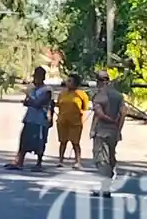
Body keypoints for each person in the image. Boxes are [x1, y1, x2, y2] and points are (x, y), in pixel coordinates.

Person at [6, 66, 54, 172]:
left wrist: (30, 98)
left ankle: (39, 163)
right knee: (24, 139)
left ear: (42, 77)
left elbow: (38, 103)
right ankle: (20, 161)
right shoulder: (33, 89)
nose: (35, 79)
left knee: (40, 141)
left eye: (37, 76)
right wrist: (30, 100)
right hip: (30, 118)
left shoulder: (47, 90)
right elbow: (26, 102)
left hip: (40, 120)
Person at [89, 70, 126, 198]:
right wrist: (118, 128)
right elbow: (123, 113)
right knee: (111, 158)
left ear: (98, 81)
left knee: (102, 159)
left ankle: (105, 189)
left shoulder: (99, 96)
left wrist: (93, 130)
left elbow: (99, 114)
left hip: (102, 132)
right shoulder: (118, 95)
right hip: (113, 132)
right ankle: (107, 186)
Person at [54, 73, 89, 169]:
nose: (67, 82)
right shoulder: (62, 94)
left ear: (75, 83)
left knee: (75, 142)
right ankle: (60, 160)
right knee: (62, 142)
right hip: (62, 121)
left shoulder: (81, 94)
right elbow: (58, 105)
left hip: (75, 122)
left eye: (70, 81)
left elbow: (85, 107)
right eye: (67, 81)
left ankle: (77, 161)